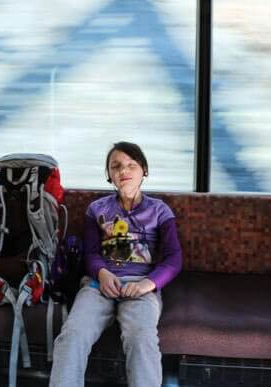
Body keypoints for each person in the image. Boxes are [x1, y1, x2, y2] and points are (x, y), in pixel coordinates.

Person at [50, 141, 182, 387]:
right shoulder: (96, 209)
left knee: (141, 338)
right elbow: (90, 253)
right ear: (109, 175)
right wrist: (101, 274)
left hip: (140, 287)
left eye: (132, 165)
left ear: (144, 170)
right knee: (72, 335)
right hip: (98, 284)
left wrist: (148, 284)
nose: (124, 171)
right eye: (116, 166)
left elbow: (174, 259)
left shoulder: (159, 210)